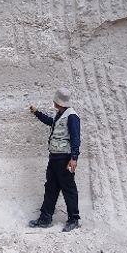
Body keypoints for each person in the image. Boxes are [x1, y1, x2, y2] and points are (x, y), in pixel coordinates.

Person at [28, 88, 81, 231]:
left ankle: (74, 219)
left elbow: (76, 138)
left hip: (64, 158)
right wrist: (37, 113)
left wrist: (74, 157)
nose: (53, 102)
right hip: (54, 158)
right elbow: (51, 122)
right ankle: (45, 218)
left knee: (68, 189)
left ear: (59, 102)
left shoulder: (72, 116)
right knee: (50, 188)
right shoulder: (60, 114)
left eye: (55, 100)